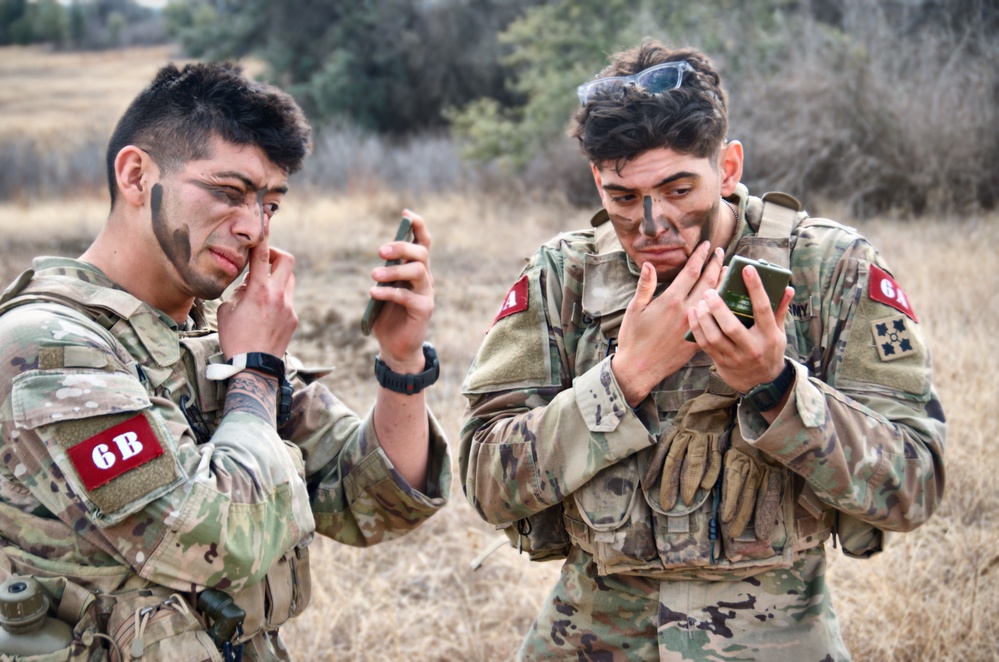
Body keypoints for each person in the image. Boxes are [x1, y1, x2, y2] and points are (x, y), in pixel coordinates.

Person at [459, 40, 945, 660]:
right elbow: (485, 481)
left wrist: (776, 388)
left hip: (777, 636)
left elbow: (914, 484)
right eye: (623, 198)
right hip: (592, 634)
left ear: (730, 168)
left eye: (678, 189)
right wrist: (623, 380)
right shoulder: (564, 276)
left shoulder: (831, 270)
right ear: (596, 181)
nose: (652, 224)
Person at [0, 61, 450, 660]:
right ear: (136, 177)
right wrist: (256, 372)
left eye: (271, 205)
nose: (253, 227)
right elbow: (211, 537)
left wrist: (401, 361)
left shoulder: (217, 338)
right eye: (228, 192)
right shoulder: (43, 347)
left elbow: (373, 503)